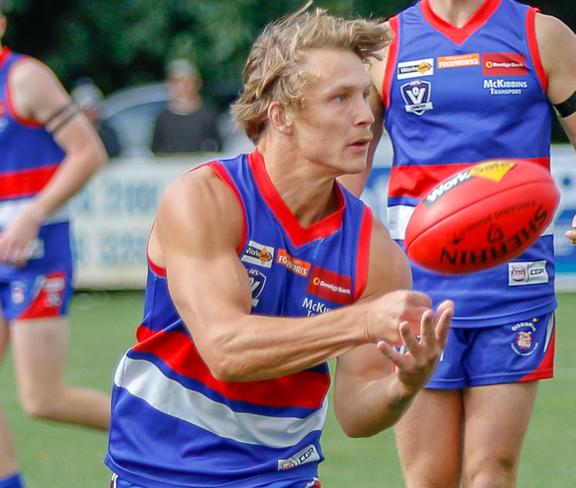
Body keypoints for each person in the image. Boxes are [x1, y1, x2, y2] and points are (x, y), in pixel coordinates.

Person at [105, 6, 453, 488]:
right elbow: (226, 350)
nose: (365, 117)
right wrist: (361, 321)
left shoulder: (373, 251)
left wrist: (404, 384)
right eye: (340, 98)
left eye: (365, 96)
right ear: (282, 114)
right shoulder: (205, 199)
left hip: (284, 478)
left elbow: (356, 412)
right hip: (162, 474)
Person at [339, 0, 576, 486]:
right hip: (413, 287)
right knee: (430, 476)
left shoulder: (542, 34)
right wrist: (330, 240)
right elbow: (349, 157)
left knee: (491, 470)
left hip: (515, 283)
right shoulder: (383, 45)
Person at [0, 4, 109, 488]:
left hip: (36, 249)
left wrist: (33, 214)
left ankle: (177, 431)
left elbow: (88, 152)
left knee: (42, 398)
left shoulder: (24, 77)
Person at [150, 58, 223, 155]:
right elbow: (156, 150)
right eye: (176, 82)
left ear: (196, 83)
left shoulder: (207, 115)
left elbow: (217, 148)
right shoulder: (163, 118)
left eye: (186, 82)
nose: (181, 87)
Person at [71, 78, 122, 158]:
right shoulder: (74, 135)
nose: (88, 113)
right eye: (84, 110)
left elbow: (115, 155)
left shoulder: (108, 133)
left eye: (91, 108)